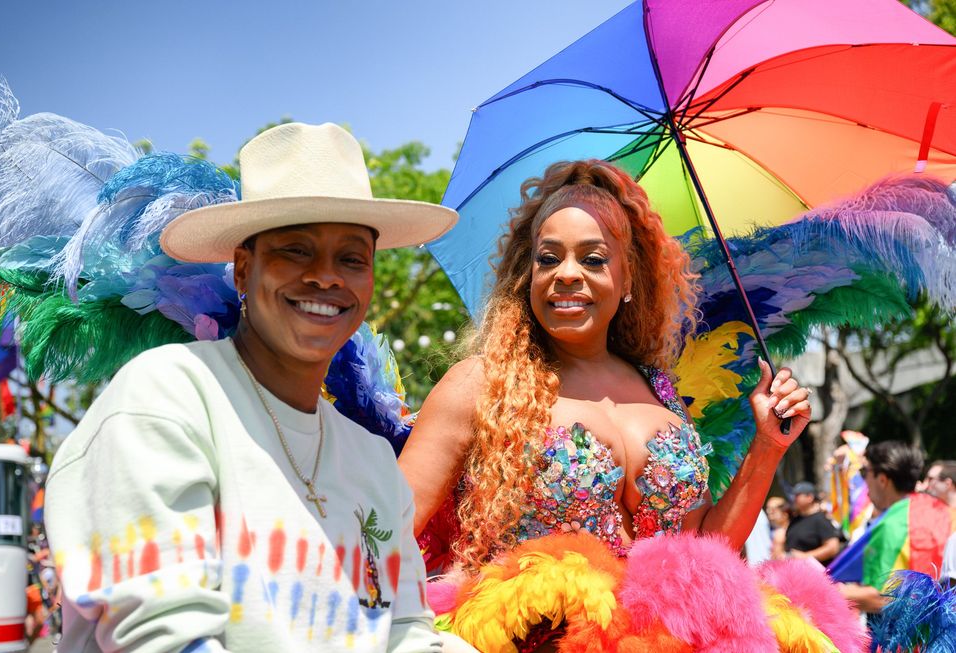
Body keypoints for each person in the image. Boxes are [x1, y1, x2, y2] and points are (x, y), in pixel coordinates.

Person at [398, 161, 865, 651]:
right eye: (548, 258)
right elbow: (384, 529)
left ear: (627, 282)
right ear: (526, 275)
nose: (567, 275)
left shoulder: (660, 390)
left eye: (594, 260)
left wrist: (767, 448)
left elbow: (707, 550)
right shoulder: (482, 384)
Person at [43, 122, 458, 652]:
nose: (327, 277)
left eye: (351, 258)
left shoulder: (374, 463)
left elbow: (404, 634)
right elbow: (162, 637)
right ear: (243, 270)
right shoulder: (167, 398)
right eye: (296, 250)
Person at [832, 440, 955, 614]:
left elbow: (884, 598)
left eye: (864, 471)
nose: (863, 479)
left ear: (882, 479)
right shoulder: (945, 512)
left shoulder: (894, 523)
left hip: (909, 637)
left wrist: (823, 590)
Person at [783, 482, 841, 564]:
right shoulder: (795, 519)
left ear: (809, 497)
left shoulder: (820, 519)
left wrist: (806, 556)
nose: (794, 499)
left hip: (814, 573)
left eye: (797, 495)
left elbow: (833, 547)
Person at [765, 495, 792, 560]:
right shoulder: (771, 528)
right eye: (767, 508)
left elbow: (777, 559)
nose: (769, 511)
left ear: (785, 513)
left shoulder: (781, 533)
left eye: (773, 509)